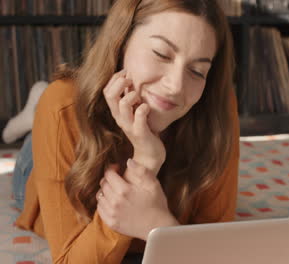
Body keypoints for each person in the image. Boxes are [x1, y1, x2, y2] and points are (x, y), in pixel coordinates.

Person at [12, 0, 240, 263]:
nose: (176, 86)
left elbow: (215, 246)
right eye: (161, 54)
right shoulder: (61, 108)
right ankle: (35, 111)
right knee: (49, 115)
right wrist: (145, 160)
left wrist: (157, 224)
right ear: (121, 43)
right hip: (48, 151)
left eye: (197, 71)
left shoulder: (217, 107)